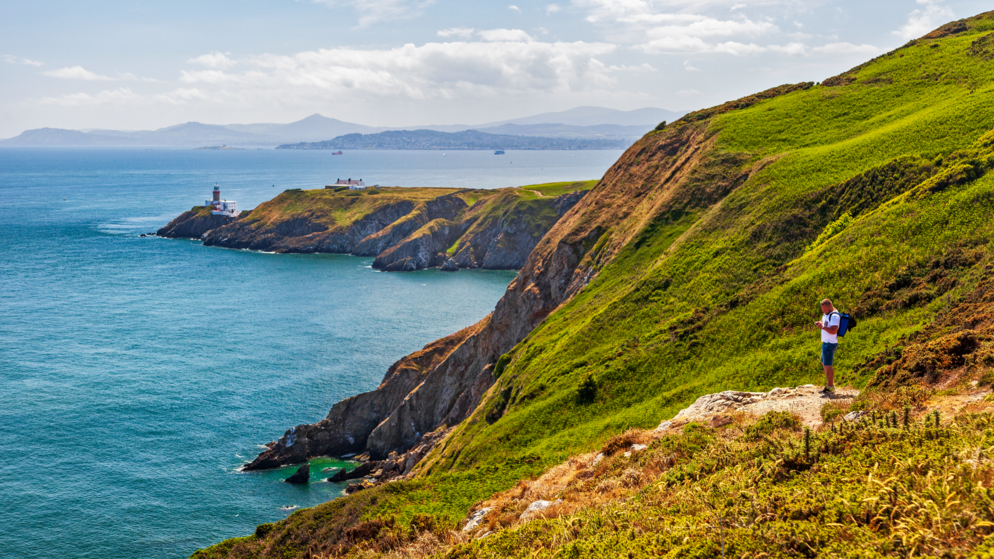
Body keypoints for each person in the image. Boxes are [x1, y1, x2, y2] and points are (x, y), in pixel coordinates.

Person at [815, 298, 840, 394]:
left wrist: (823, 327)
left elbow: (834, 330)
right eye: (823, 310)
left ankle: (830, 386)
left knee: (828, 364)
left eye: (825, 309)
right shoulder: (826, 314)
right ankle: (830, 385)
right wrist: (819, 323)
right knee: (824, 363)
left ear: (830, 306)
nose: (824, 311)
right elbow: (823, 321)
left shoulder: (834, 316)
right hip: (825, 343)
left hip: (830, 343)